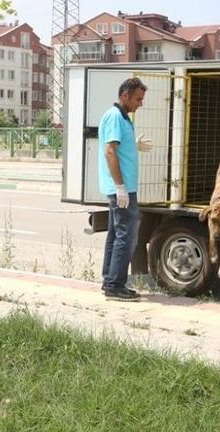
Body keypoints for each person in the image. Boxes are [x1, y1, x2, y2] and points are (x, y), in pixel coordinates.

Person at [98, 77, 152, 301]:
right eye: (138, 99)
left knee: (115, 235)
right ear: (124, 96)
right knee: (126, 236)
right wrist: (120, 186)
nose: (141, 103)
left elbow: (118, 148)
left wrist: (133, 145)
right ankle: (115, 285)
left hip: (123, 187)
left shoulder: (124, 118)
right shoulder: (114, 117)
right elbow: (110, 152)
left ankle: (110, 281)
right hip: (122, 189)